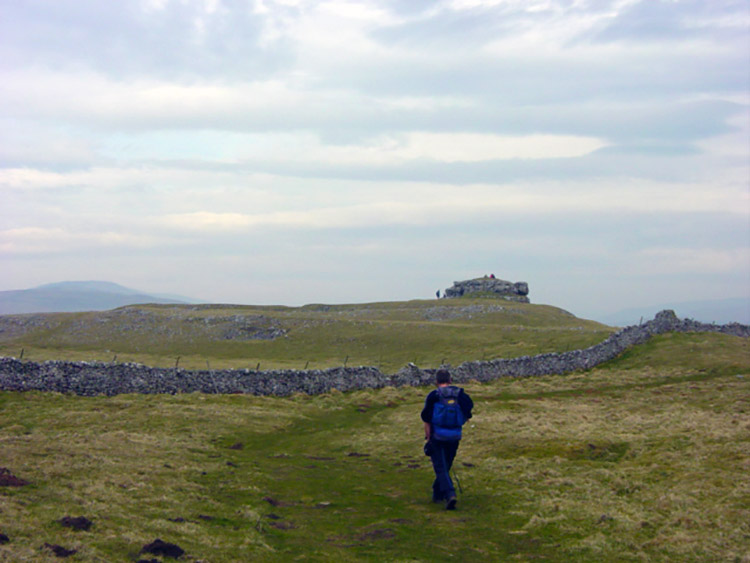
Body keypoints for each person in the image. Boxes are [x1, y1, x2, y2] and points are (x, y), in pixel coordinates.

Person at [421, 369, 473, 510]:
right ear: (450, 380)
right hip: (454, 436)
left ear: (436, 382)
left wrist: (428, 437)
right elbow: (469, 411)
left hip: (437, 436)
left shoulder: (433, 396)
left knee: (440, 467)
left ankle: (450, 494)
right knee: (447, 464)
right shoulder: (460, 395)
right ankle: (437, 493)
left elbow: (426, 419)